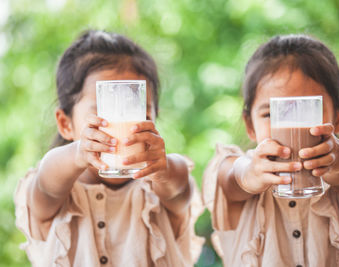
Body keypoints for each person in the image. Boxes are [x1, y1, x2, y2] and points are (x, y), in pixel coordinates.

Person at [14, 30, 203, 267]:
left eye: (140, 113)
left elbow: (179, 188)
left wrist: (163, 169)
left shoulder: (158, 191)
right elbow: (46, 185)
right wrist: (79, 152)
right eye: (103, 113)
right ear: (65, 123)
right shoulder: (58, 195)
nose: (125, 123)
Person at [202, 34, 339, 266]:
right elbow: (230, 178)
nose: (287, 122)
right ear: (249, 124)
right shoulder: (239, 173)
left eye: (306, 109)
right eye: (270, 114)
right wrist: (248, 175)